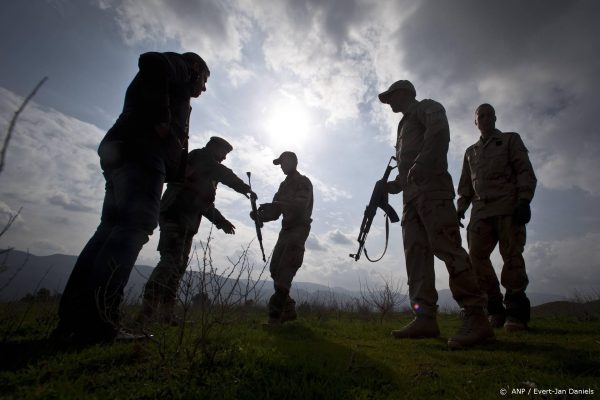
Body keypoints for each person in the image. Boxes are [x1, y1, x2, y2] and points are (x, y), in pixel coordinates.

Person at [52, 51, 210, 345]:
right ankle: (99, 324)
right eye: (204, 81)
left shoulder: (174, 89)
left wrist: (176, 168)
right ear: (196, 69)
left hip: (122, 152)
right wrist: (163, 121)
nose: (202, 89)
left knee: (109, 230)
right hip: (141, 155)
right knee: (132, 229)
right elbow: (152, 59)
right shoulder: (177, 66)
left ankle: (74, 321)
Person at [379, 80, 493, 349]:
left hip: (433, 191)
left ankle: (477, 318)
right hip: (411, 198)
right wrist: (396, 184)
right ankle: (425, 318)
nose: (390, 102)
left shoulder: (428, 108)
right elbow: (408, 164)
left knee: (447, 247)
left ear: (405, 93)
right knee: (416, 257)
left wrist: (420, 164)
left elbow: (439, 134)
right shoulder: (403, 125)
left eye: (392, 96)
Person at [139, 136, 255, 324]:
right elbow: (222, 173)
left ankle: (166, 315)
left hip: (186, 221)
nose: (224, 158)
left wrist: (221, 221)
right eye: (224, 153)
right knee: (170, 262)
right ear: (214, 147)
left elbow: (202, 202)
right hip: (175, 214)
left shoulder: (205, 171)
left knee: (178, 266)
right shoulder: (201, 158)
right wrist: (243, 188)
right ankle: (146, 314)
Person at [457, 103, 537, 331]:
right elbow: (465, 186)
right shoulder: (470, 152)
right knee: (476, 258)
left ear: (495, 118)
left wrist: (524, 200)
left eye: (488, 114)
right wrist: (460, 208)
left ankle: (516, 313)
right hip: (480, 212)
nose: (484, 118)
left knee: (511, 256)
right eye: (480, 116)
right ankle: (495, 309)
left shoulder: (510, 140)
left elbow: (524, 171)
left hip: (508, 207)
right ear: (475, 122)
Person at [250, 151, 313, 325]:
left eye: (284, 162)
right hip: (285, 230)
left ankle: (275, 317)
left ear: (293, 162)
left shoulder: (303, 182)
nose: (282, 167)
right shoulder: (283, 185)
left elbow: (300, 206)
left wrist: (276, 205)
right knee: (275, 270)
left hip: (299, 229)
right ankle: (289, 308)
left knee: (285, 270)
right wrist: (259, 216)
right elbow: (275, 212)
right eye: (280, 164)